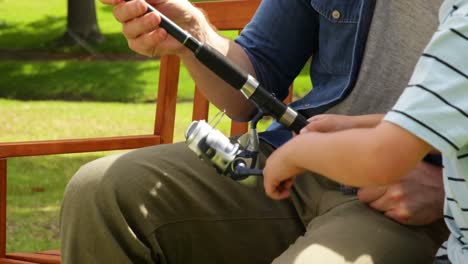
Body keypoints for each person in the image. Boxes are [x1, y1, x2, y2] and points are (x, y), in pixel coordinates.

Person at [60, 0, 449, 263]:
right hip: (291, 166)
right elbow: (251, 84)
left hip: (402, 201)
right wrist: (191, 32)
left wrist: (451, 187)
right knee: (100, 191)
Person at [263, 0, 468, 263]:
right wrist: (356, 125)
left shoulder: (461, 32)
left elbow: (383, 157)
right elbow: (447, 122)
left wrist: (293, 154)